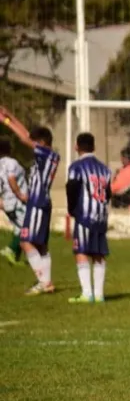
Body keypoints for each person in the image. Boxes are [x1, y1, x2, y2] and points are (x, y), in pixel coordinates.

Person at [0, 108, 60, 296]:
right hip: (42, 201)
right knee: (41, 245)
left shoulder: (46, 154)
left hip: (37, 202)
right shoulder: (48, 155)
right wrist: (8, 116)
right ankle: (47, 282)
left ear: (41, 143)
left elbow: (25, 139)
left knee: (26, 242)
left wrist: (7, 122)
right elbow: (27, 136)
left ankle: (43, 282)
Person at [66, 133, 112, 304]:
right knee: (99, 254)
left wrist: (72, 210)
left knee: (81, 251)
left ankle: (87, 294)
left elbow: (72, 187)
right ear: (94, 147)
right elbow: (108, 193)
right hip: (101, 216)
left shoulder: (76, 167)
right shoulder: (105, 169)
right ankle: (99, 295)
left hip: (85, 216)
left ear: (76, 146)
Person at [0, 138, 27, 266]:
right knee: (27, 227)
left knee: (18, 228)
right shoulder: (11, 163)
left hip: (7, 202)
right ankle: (10, 249)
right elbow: (11, 179)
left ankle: (15, 257)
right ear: (10, 149)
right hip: (16, 202)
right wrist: (20, 195)